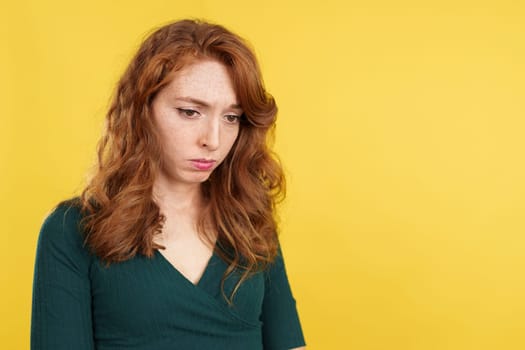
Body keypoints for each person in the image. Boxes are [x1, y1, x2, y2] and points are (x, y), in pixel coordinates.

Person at [31, 19, 306, 350]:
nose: (213, 140)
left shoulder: (250, 220)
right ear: (142, 110)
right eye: (190, 112)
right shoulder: (71, 230)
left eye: (231, 117)